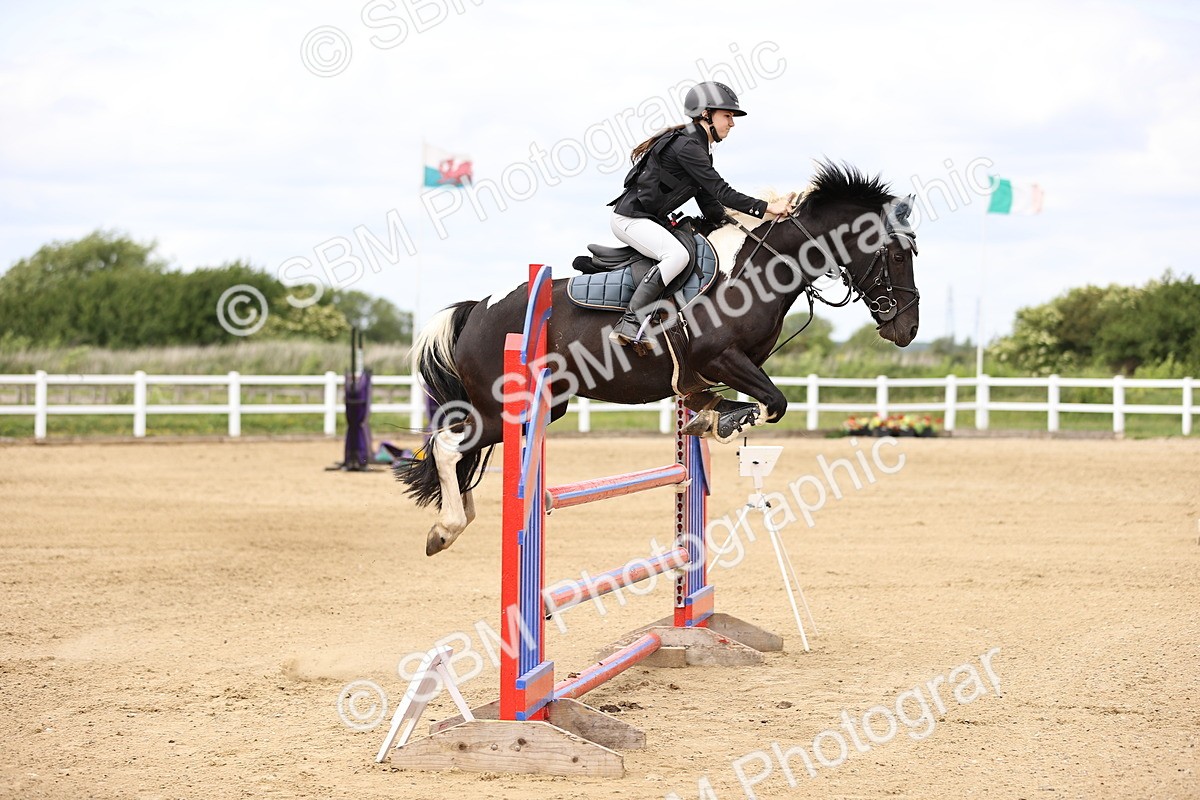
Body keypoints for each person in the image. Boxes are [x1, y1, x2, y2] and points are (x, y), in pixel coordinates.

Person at [607, 80, 793, 348]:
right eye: (727, 115)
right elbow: (722, 191)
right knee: (677, 255)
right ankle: (630, 321)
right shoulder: (688, 148)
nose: (732, 123)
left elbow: (710, 204)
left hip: (648, 220)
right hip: (630, 220)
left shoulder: (699, 148)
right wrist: (767, 208)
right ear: (706, 114)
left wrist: (738, 225)